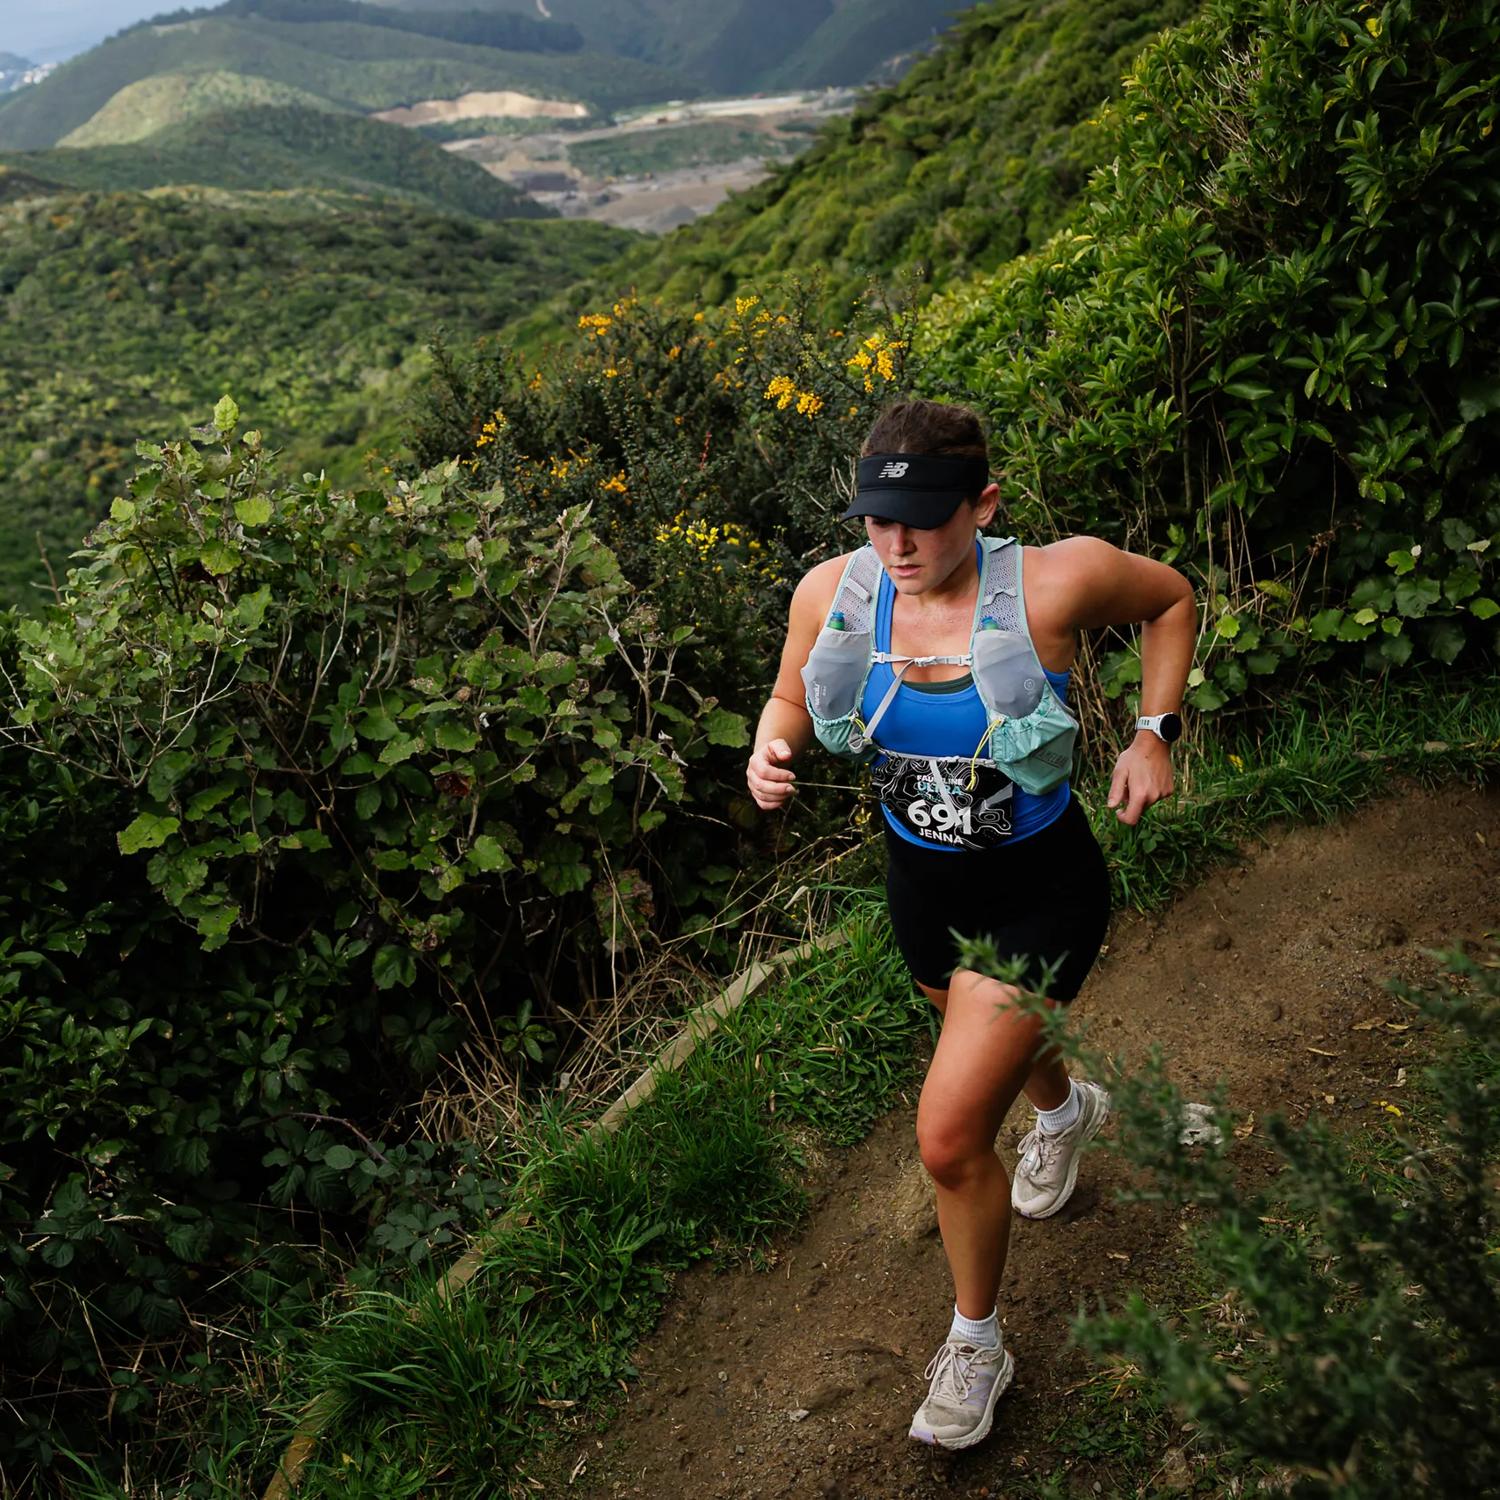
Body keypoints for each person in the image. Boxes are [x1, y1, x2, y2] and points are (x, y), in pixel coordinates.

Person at [746, 398, 1195, 1451]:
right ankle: (1066, 1112)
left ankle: (978, 1343)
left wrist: (1152, 733)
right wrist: (770, 748)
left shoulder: (1056, 580)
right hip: (923, 884)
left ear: (982, 504)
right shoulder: (837, 593)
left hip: (1039, 890)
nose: (897, 546)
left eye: (928, 520)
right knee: (981, 1043)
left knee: (948, 1136)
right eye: (877, 521)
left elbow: (1171, 601)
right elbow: (787, 699)